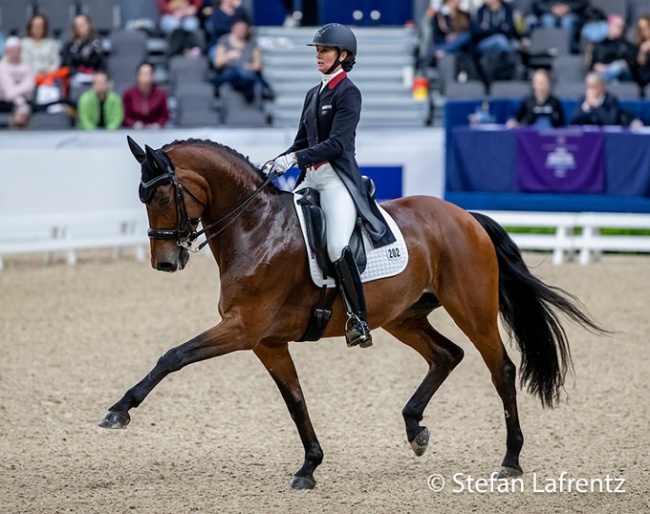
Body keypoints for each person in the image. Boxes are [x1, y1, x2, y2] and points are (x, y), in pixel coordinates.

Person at [265, 24, 396, 349]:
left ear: (344, 55)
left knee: (337, 245)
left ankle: (358, 319)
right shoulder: (313, 94)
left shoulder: (348, 92)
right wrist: (276, 162)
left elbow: (337, 144)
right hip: (309, 179)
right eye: (317, 51)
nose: (319, 56)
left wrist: (294, 158)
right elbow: (300, 141)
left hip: (337, 179)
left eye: (324, 51)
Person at [212, 17, 273, 102]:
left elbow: (257, 65)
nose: (241, 31)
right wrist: (229, 56)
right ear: (233, 28)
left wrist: (249, 67)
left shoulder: (252, 43)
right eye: (239, 28)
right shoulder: (224, 41)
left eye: (243, 29)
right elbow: (217, 63)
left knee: (244, 72)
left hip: (247, 72)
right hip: (229, 73)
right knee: (236, 72)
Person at [588, 14, 636, 83]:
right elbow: (593, 63)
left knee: (617, 66)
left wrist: (624, 63)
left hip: (623, 74)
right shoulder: (599, 44)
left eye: (622, 27)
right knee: (614, 81)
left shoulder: (626, 44)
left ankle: (604, 80)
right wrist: (597, 66)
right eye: (617, 26)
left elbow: (632, 61)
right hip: (604, 72)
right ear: (609, 25)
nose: (620, 29)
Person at [0, 37, 35, 128]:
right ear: (6, 51)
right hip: (5, 101)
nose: (14, 53)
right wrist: (21, 104)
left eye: (16, 50)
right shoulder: (2, 67)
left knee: (25, 109)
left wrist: (22, 103)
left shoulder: (27, 67)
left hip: (25, 100)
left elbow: (29, 87)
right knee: (23, 110)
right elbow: (8, 91)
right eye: (11, 50)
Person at [61, 14, 106, 85]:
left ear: (89, 24)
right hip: (75, 77)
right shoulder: (69, 45)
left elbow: (101, 63)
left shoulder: (96, 43)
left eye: (82, 24)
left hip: (93, 77)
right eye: (77, 25)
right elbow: (66, 64)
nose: (80, 27)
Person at [122, 62, 169, 129]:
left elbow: (164, 115)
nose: (144, 77)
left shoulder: (161, 94)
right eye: (142, 74)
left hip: (156, 132)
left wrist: (158, 125)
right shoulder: (129, 93)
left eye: (147, 74)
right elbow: (125, 116)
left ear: (153, 75)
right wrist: (134, 124)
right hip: (134, 131)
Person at [634, 14, 650, 88]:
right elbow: (640, 63)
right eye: (641, 29)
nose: (644, 31)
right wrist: (642, 51)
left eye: (646, 28)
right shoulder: (637, 44)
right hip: (644, 77)